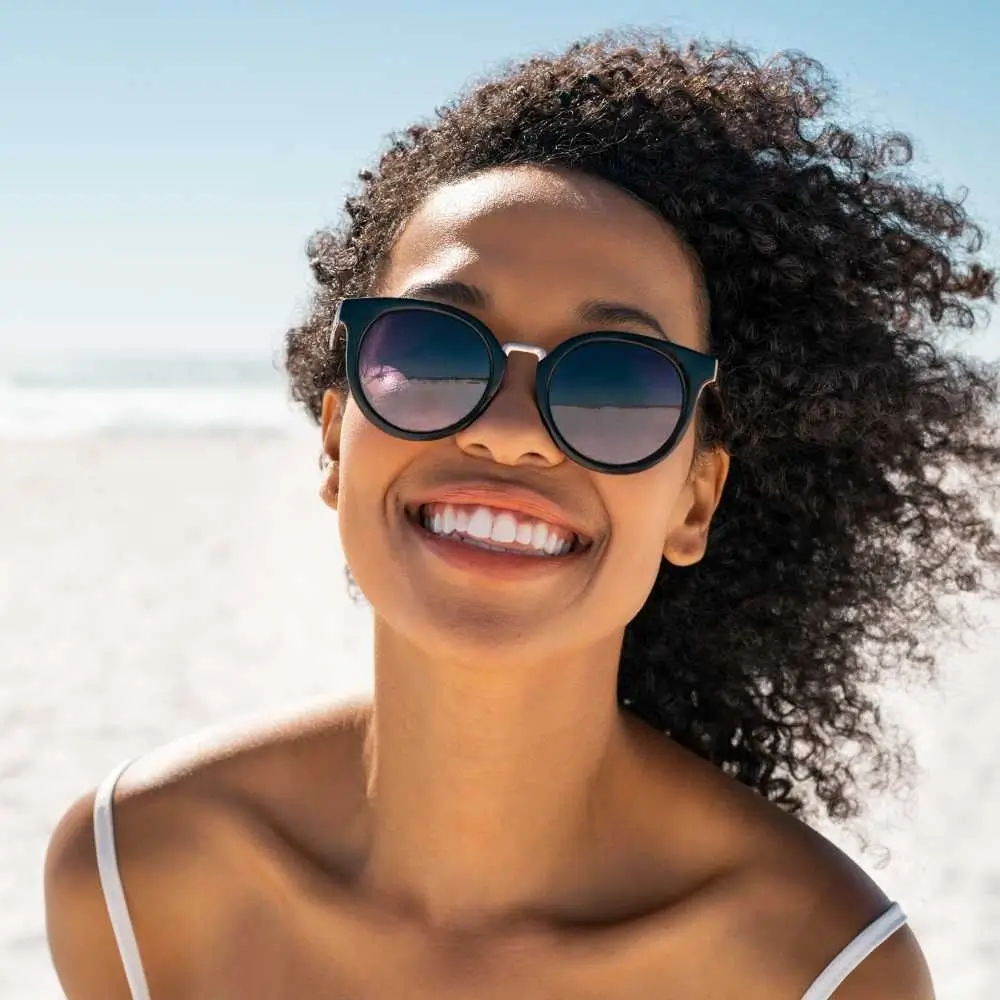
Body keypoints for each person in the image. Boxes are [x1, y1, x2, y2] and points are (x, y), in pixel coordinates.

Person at [43, 33, 999, 999]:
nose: (508, 433)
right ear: (336, 438)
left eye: (616, 382)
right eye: (431, 352)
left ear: (694, 500)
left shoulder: (820, 970)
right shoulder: (134, 871)